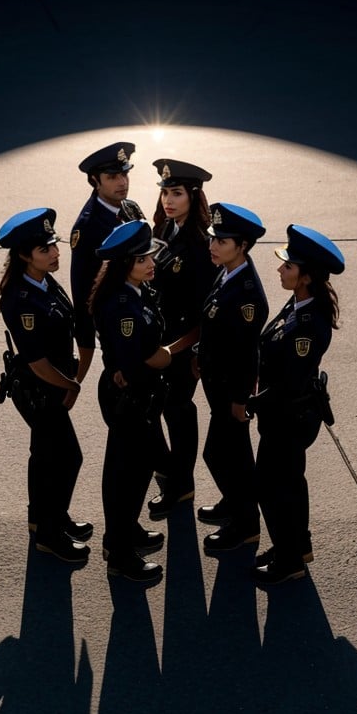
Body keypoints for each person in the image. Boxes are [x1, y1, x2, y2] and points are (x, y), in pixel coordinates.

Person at [250, 224, 345, 585]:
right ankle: (294, 546)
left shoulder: (307, 323)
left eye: (288, 266)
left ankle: (289, 562)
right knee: (290, 482)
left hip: (287, 417)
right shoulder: (299, 302)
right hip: (285, 414)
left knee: (272, 487)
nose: (279, 270)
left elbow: (289, 381)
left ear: (305, 276)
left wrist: (253, 402)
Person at [0, 208, 92, 563]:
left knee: (44, 457)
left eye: (54, 244)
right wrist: (73, 385)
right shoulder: (21, 299)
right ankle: (50, 536)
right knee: (67, 457)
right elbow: (37, 362)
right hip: (41, 389)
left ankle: (43, 519)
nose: (55, 253)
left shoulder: (43, 281)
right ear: (24, 255)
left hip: (52, 384)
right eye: (45, 249)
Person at [88, 220, 172, 582]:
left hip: (134, 393)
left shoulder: (134, 291)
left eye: (150, 254)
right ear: (125, 265)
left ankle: (123, 533)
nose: (151, 261)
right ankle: (120, 556)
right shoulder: (124, 304)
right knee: (127, 476)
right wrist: (170, 355)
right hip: (131, 397)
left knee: (130, 471)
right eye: (142, 259)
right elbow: (140, 359)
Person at [146, 159, 218, 519]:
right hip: (161, 341)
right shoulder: (166, 230)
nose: (168, 200)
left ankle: (181, 485)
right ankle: (174, 476)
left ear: (194, 196)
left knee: (178, 411)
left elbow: (207, 313)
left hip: (183, 348)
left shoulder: (200, 245)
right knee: (161, 409)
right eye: (164, 192)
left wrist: (175, 350)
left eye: (176, 193)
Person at [196, 203, 269, 551]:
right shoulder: (227, 273)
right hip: (218, 385)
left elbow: (245, 352)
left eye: (222, 241)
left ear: (242, 245)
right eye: (213, 238)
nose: (213, 245)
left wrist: (241, 400)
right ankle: (235, 504)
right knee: (230, 454)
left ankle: (245, 525)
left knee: (224, 455)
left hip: (230, 391)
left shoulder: (247, 295)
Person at [69, 142, 145, 383]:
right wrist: (86, 347)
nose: (122, 182)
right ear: (95, 180)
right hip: (118, 328)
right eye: (112, 177)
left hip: (145, 314)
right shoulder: (88, 228)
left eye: (124, 174)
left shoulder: (130, 208)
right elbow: (82, 293)